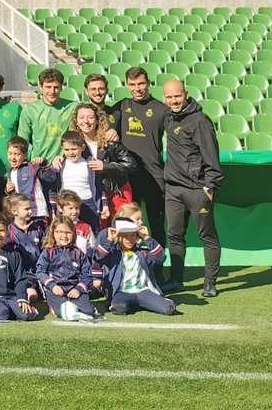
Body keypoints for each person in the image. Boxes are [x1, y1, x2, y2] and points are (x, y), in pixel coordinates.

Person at [161, 79, 223, 297]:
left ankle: (210, 283)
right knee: (175, 235)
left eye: (177, 96)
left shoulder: (200, 121)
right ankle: (176, 281)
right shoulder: (169, 117)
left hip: (198, 189)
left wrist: (210, 185)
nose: (174, 100)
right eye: (169, 97)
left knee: (207, 235)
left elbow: (211, 155)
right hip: (173, 189)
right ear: (164, 98)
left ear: (186, 94)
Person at [112, 67, 169, 277]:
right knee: (127, 226)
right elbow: (98, 120)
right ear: (127, 85)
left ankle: (158, 271)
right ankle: (129, 271)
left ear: (148, 83)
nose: (137, 88)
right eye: (133, 84)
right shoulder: (121, 107)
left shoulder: (161, 109)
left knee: (156, 225)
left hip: (155, 177)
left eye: (141, 84)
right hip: (129, 178)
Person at [93, 215, 176, 315]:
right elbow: (98, 258)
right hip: (122, 292)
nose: (129, 239)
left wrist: (147, 238)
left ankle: (147, 302)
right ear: (119, 237)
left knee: (169, 309)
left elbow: (161, 257)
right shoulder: (113, 254)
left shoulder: (143, 253)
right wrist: (109, 240)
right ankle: (137, 304)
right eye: (125, 236)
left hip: (143, 291)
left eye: (132, 235)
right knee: (118, 309)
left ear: (137, 237)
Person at [67, 102, 137, 216]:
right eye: (81, 117)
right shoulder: (74, 143)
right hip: (93, 194)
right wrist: (57, 158)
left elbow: (131, 165)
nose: (86, 121)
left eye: (90, 117)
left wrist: (105, 167)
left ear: (97, 120)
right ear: (76, 121)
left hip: (116, 192)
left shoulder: (109, 139)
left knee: (122, 228)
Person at [37, 216, 99, 322]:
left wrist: (78, 289)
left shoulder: (79, 253)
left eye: (68, 232)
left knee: (88, 311)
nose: (64, 236)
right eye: (60, 232)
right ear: (53, 233)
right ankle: (55, 307)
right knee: (62, 312)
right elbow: (40, 272)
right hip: (56, 290)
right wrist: (52, 286)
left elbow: (87, 275)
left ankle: (76, 304)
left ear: (74, 234)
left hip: (74, 290)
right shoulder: (48, 252)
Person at [18, 68, 77, 165]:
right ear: (41, 87)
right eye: (48, 87)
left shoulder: (73, 107)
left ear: (61, 87)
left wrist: (111, 129)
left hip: (66, 164)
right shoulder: (30, 110)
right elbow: (22, 142)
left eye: (56, 87)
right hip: (39, 165)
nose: (52, 91)